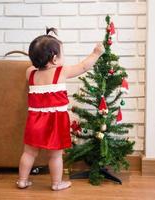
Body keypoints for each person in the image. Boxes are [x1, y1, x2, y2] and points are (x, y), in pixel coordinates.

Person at [16, 27, 105, 191]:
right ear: (55, 59)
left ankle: (22, 180)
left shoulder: (30, 73)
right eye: (62, 54)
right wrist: (96, 53)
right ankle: (57, 183)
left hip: (35, 120)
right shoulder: (61, 71)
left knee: (29, 153)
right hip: (55, 121)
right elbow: (84, 66)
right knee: (55, 154)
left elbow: (32, 66)